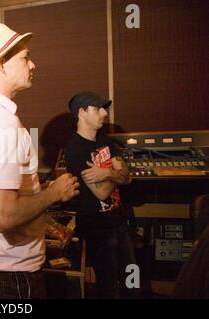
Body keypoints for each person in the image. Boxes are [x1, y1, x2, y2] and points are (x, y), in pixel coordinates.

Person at [0, 23, 80, 299]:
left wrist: (38, 185)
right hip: (13, 275)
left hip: (1, 267)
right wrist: (54, 193)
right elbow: (4, 216)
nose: (33, 64)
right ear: (2, 64)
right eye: (25, 57)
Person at [64, 91, 136, 298]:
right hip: (98, 229)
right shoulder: (75, 148)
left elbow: (127, 177)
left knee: (133, 277)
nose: (105, 113)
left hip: (119, 222)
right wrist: (117, 174)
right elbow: (102, 193)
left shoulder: (106, 141)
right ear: (82, 113)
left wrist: (106, 173)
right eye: (98, 109)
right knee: (109, 287)